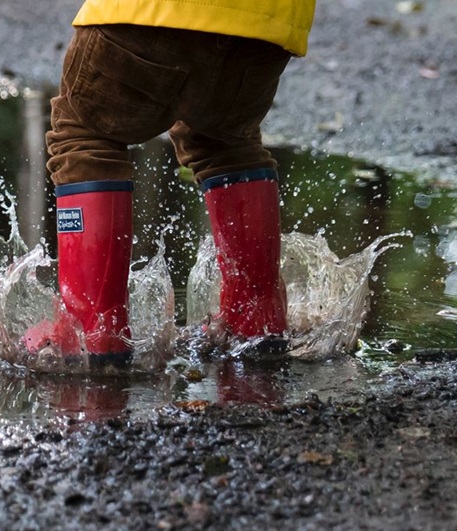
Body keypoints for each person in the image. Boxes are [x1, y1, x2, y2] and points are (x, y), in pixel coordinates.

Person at [23, 0, 316, 366]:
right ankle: (256, 322)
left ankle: (92, 333)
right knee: (226, 142)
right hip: (267, 24)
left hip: (153, 10)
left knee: (84, 134)